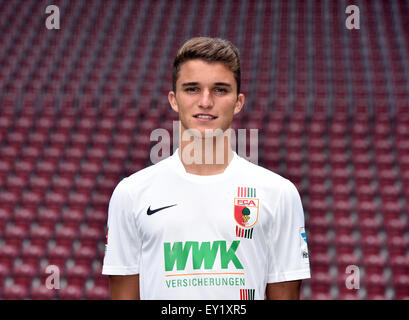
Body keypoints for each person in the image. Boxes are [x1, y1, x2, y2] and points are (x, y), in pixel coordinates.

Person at [102, 37, 311, 300]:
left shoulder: (279, 194)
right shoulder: (130, 193)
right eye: (192, 89)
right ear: (173, 99)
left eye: (220, 90)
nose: (205, 101)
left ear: (238, 101)